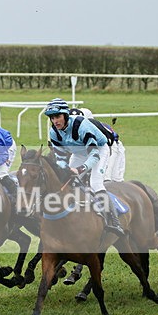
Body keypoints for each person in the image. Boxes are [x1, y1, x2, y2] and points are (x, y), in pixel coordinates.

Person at [44, 97, 124, 234]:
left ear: (65, 114)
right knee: (69, 182)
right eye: (52, 118)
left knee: (96, 183)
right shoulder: (53, 132)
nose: (55, 121)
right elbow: (60, 157)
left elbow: (94, 155)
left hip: (98, 150)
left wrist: (79, 169)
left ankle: (114, 222)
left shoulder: (81, 125)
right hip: (79, 153)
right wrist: (65, 169)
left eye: (57, 116)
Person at [70, 108, 125, 182]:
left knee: (107, 178)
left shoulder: (94, 128)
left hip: (112, 146)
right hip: (93, 148)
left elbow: (109, 147)